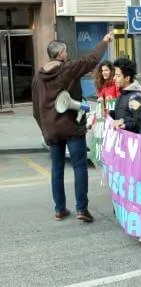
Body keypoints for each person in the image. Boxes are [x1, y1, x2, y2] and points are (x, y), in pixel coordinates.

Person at [32, 31, 114, 222]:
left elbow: (36, 109)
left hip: (51, 129)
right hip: (71, 126)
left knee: (57, 168)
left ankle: (60, 209)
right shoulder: (67, 68)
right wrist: (104, 41)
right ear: (60, 54)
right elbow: (91, 59)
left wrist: (44, 129)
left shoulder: (38, 76)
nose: (67, 55)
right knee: (79, 166)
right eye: (66, 52)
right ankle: (81, 209)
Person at [110, 58, 141, 133]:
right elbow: (120, 114)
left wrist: (124, 124)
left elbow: (139, 122)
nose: (114, 78)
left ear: (127, 78)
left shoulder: (135, 97)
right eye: (114, 75)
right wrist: (108, 111)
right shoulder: (123, 93)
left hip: (131, 142)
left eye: (118, 76)